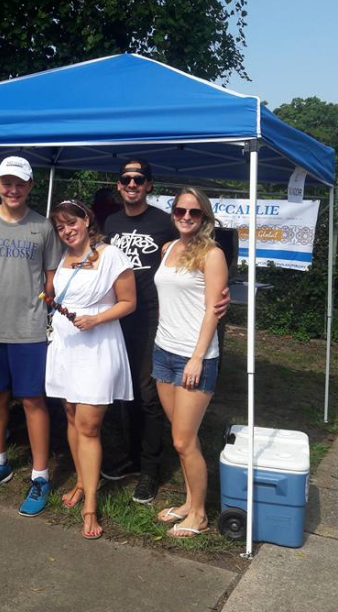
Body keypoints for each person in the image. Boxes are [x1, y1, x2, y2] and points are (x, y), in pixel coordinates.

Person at [104, 159, 229, 504]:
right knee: (123, 394)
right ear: (119, 185)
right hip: (118, 320)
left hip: (152, 322)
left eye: (139, 179)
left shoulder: (165, 224)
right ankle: (130, 459)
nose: (132, 184)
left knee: (149, 401)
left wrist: (221, 297)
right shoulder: (112, 223)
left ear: (148, 185)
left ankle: (150, 470)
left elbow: (203, 264)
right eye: (126, 179)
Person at [0, 155, 62, 516]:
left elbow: (52, 279)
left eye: (20, 183)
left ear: (30, 186)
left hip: (31, 331)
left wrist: (45, 313)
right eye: (7, 183)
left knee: (33, 401)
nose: (13, 189)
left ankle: (40, 475)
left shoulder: (43, 228)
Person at [45, 200, 136, 539]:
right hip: (66, 346)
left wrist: (96, 318)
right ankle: (82, 481)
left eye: (72, 223)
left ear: (86, 220)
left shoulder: (111, 255)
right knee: (70, 414)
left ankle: (91, 506)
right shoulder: (64, 257)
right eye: (61, 227)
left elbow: (129, 302)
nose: (67, 231)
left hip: (98, 345)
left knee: (89, 424)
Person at [152, 188, 227, 538]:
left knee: (183, 440)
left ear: (205, 218)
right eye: (180, 210)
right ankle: (188, 502)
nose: (186, 217)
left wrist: (197, 358)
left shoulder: (212, 255)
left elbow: (214, 310)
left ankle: (199, 515)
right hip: (162, 352)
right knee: (182, 436)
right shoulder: (168, 249)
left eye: (194, 213)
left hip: (193, 357)